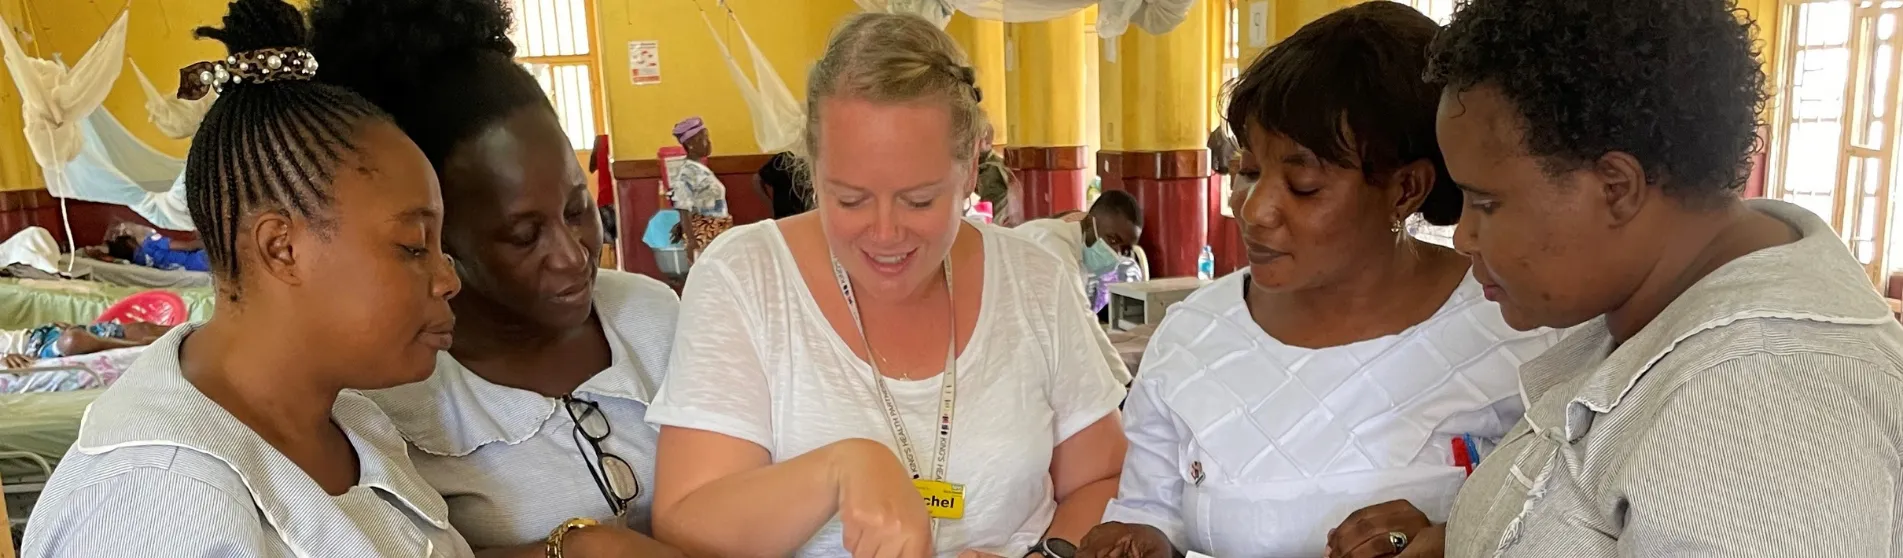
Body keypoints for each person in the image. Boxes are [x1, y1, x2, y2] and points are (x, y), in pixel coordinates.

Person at [1329, 0, 1903, 556]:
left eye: (1486, 202)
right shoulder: (1656, 319)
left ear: (1616, 188)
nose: (1464, 237)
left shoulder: (1762, 402)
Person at [1077, 4, 1564, 558]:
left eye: (1303, 185)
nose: (1254, 210)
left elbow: (1566, 525)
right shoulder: (1191, 336)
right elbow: (1150, 509)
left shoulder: (1522, 335)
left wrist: (1453, 539)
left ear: (1406, 189)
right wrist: (1137, 539)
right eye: (1250, 172)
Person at [646, 12, 1130, 558]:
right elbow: (687, 520)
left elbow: (1101, 479)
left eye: (919, 200)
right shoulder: (747, 278)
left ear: (970, 167)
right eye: (849, 199)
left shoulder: (1034, 279)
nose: (884, 233)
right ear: (813, 167)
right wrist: (840, 468)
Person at [19, 1, 471, 555]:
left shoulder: (348, 420)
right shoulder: (156, 505)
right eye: (413, 246)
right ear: (281, 248)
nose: (448, 279)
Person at [310, 0, 683, 555]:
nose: (572, 256)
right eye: (523, 235)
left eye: (578, 209)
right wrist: (572, 550)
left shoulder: (653, 319)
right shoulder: (393, 396)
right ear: (438, 238)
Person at [667, 116, 732, 259]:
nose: (708, 143)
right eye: (703, 138)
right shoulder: (688, 173)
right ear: (690, 144)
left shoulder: (700, 169)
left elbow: (697, 204)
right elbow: (683, 206)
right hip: (705, 235)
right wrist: (691, 240)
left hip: (716, 231)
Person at [2, 319, 175, 368]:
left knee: (141, 327)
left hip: (38, 335)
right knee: (72, 341)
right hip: (34, 352)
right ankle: (139, 346)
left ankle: (199, 329)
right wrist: (5, 358)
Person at [759, 151, 813, 218]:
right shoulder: (782, 158)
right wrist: (768, 202)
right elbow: (758, 178)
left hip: (804, 210)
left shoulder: (812, 158)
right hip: (784, 210)